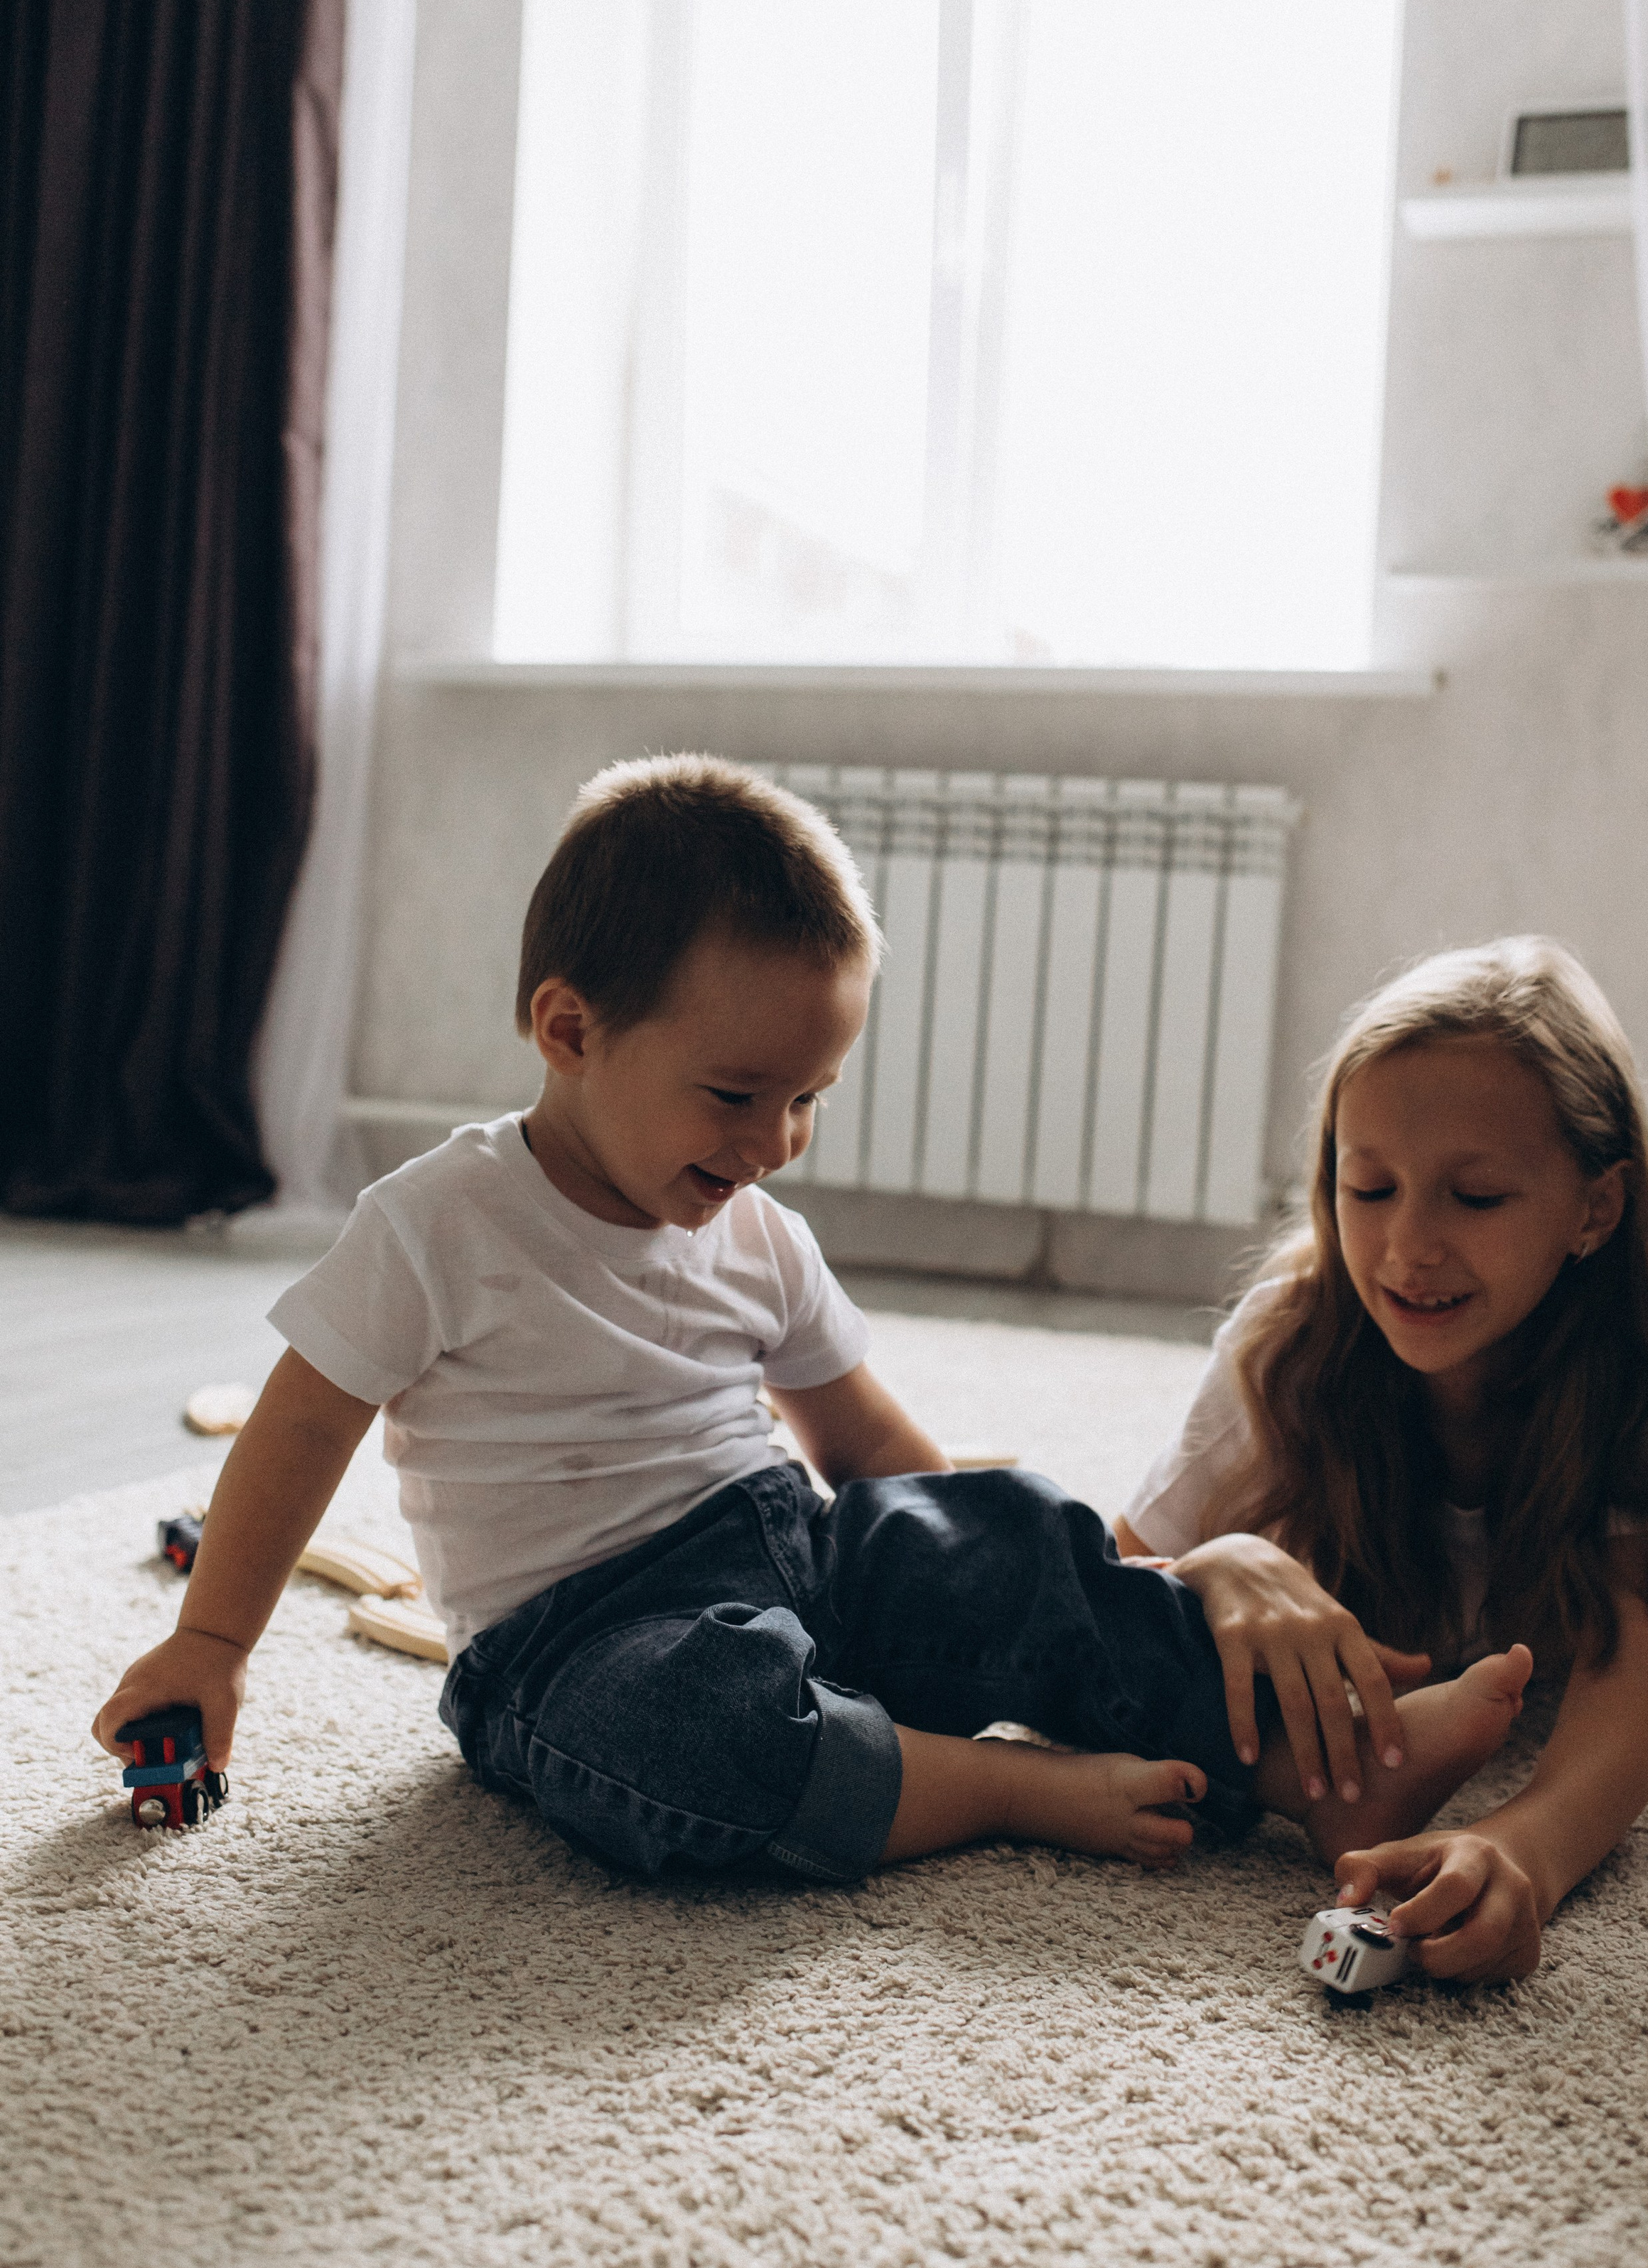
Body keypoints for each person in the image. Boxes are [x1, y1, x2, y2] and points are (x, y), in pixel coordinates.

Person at [92, 756, 1529, 1887]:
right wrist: (214, 1644)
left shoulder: (756, 1234)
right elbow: (301, 1426)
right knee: (693, 1736)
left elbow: (874, 1459)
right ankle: (998, 1789)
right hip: (581, 1645)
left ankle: (1310, 1768)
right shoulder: (435, 1223)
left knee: (1011, 1538)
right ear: (569, 1030)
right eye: (736, 1095)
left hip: (794, 1552)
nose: (777, 1141)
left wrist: (1021, 1551)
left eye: (808, 1099)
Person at [1114, 936, 1648, 1982]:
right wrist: (1213, 1564)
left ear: (1595, 1211)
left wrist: (1526, 1845)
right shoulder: (1292, 1332)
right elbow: (1107, 1583)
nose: (1407, 1248)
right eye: (1368, 1187)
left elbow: (1633, 1669)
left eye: (1475, 1199)